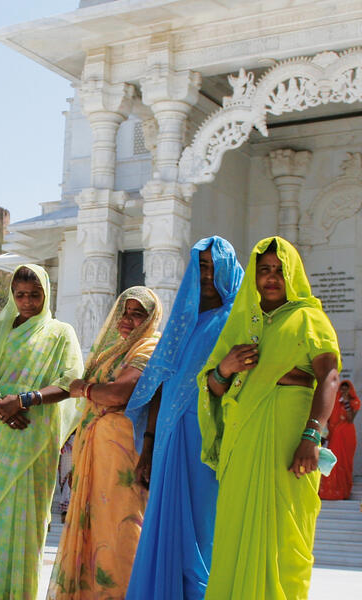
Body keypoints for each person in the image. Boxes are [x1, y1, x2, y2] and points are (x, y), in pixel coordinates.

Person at [199, 236, 341, 600]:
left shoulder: (310, 318)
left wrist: (312, 436)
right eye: (264, 270)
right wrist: (225, 368)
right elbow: (213, 389)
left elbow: (329, 376)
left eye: (280, 270)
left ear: (293, 274)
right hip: (242, 438)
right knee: (235, 529)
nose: (272, 277)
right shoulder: (240, 323)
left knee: (286, 534)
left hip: (289, 439)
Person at [124, 236, 242, 600]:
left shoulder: (237, 320)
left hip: (212, 441)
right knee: (166, 528)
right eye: (199, 266)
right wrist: (147, 445)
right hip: (169, 441)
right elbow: (161, 386)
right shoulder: (183, 320)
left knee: (205, 531)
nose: (205, 275)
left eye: (211, 266)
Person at [0, 264, 84, 600]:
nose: (27, 301)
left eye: (35, 295)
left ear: (47, 294)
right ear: (12, 296)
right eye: (20, 295)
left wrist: (24, 400)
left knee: (25, 523)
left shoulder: (60, 333)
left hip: (34, 436)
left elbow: (71, 384)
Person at [51, 286, 162, 599]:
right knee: (96, 529)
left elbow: (118, 394)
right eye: (124, 312)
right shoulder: (114, 352)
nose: (127, 320)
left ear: (150, 319)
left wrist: (83, 388)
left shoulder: (147, 347)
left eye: (137, 313)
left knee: (122, 530)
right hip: (96, 454)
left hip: (124, 453)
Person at [319, 380, 362, 501]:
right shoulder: (333, 402)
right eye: (342, 388)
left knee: (344, 463)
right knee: (333, 461)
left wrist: (346, 402)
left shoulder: (354, 402)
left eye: (346, 389)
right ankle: (329, 491)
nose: (343, 391)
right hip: (334, 436)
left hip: (346, 435)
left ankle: (343, 491)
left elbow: (350, 419)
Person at [52, 431, 75, 522]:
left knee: (73, 479)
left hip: (78, 451)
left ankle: (69, 508)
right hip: (67, 454)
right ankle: (66, 509)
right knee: (66, 479)